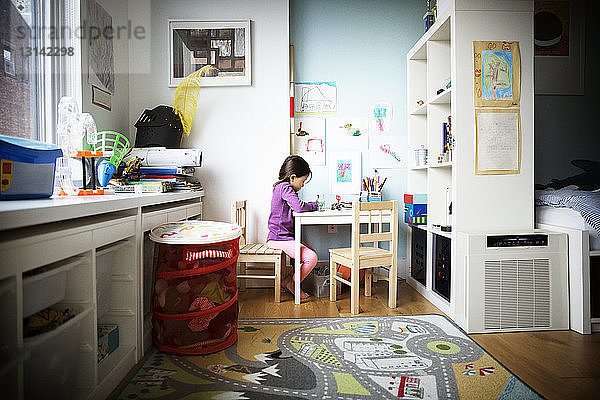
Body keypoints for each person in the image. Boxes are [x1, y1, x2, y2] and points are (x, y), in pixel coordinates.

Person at [267, 155, 318, 299]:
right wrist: (314, 205)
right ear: (292, 178)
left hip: (282, 238)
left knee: (311, 252)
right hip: (278, 239)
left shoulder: (282, 188)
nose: (303, 185)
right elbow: (299, 207)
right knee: (312, 257)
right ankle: (293, 284)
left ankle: (288, 281)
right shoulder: (285, 187)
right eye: (303, 181)